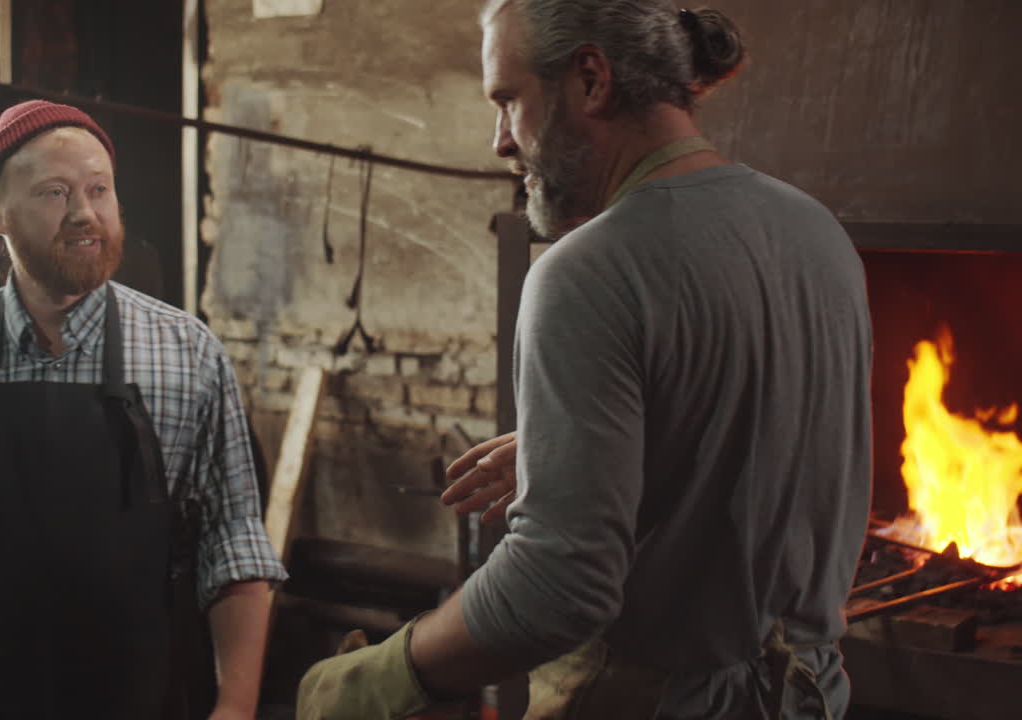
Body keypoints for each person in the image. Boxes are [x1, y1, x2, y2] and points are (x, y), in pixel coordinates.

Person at [297, 1, 872, 718]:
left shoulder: (589, 271)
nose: (501, 141)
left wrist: (378, 677)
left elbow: (559, 588)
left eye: (508, 101)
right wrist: (591, 452)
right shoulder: (817, 233)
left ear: (592, 78)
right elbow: (766, 447)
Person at [0, 100, 287, 720]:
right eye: (54, 193)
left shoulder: (188, 356)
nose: (84, 214)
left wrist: (235, 708)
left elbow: (234, 551)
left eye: (100, 190)